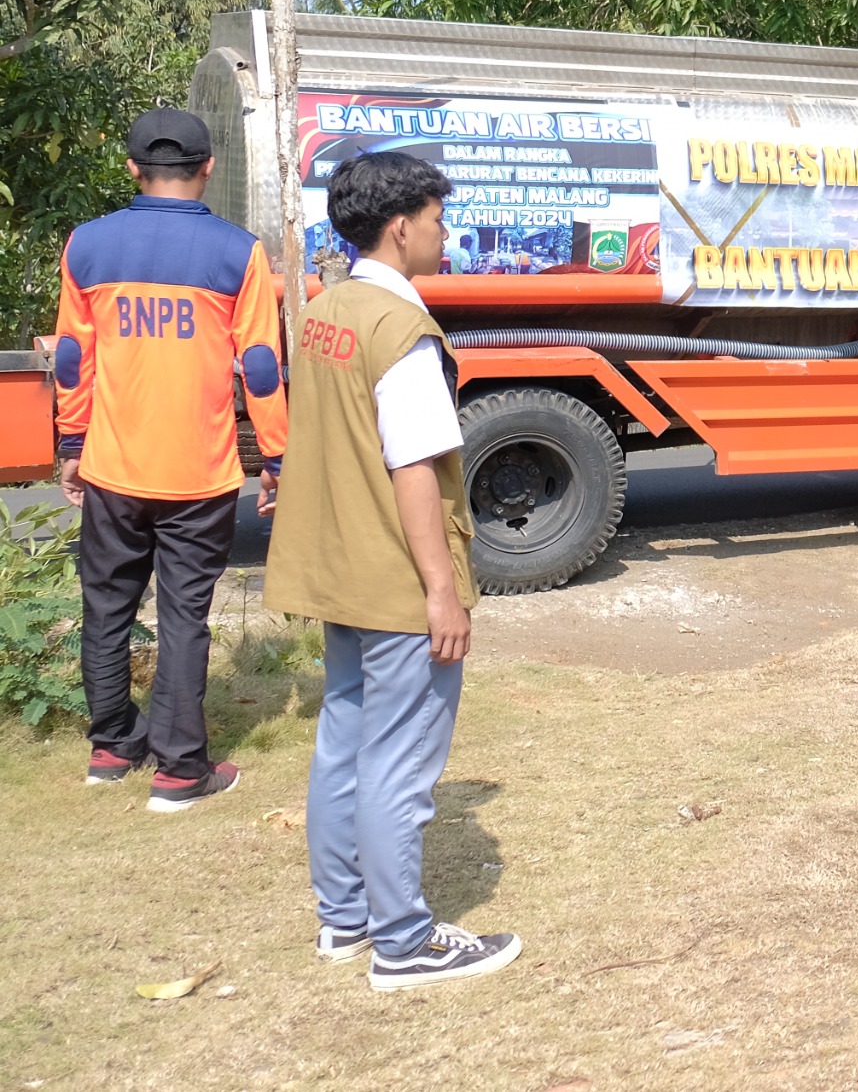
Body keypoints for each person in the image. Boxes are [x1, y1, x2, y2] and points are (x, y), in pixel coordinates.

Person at [262, 151, 523, 989]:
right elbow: (415, 466)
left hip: (340, 567)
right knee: (400, 762)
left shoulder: (327, 310)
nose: (446, 234)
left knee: (345, 741)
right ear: (402, 224)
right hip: (396, 579)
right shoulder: (404, 333)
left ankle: (344, 919)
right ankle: (403, 943)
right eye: (441, 219)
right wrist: (441, 590)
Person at [56, 109, 288, 811]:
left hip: (112, 468)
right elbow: (261, 367)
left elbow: (73, 358)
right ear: (208, 166)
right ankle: (181, 771)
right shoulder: (238, 254)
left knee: (106, 604)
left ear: (132, 168)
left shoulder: (87, 246)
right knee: (185, 615)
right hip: (199, 473)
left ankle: (111, 746)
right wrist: (275, 456)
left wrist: (71, 444)